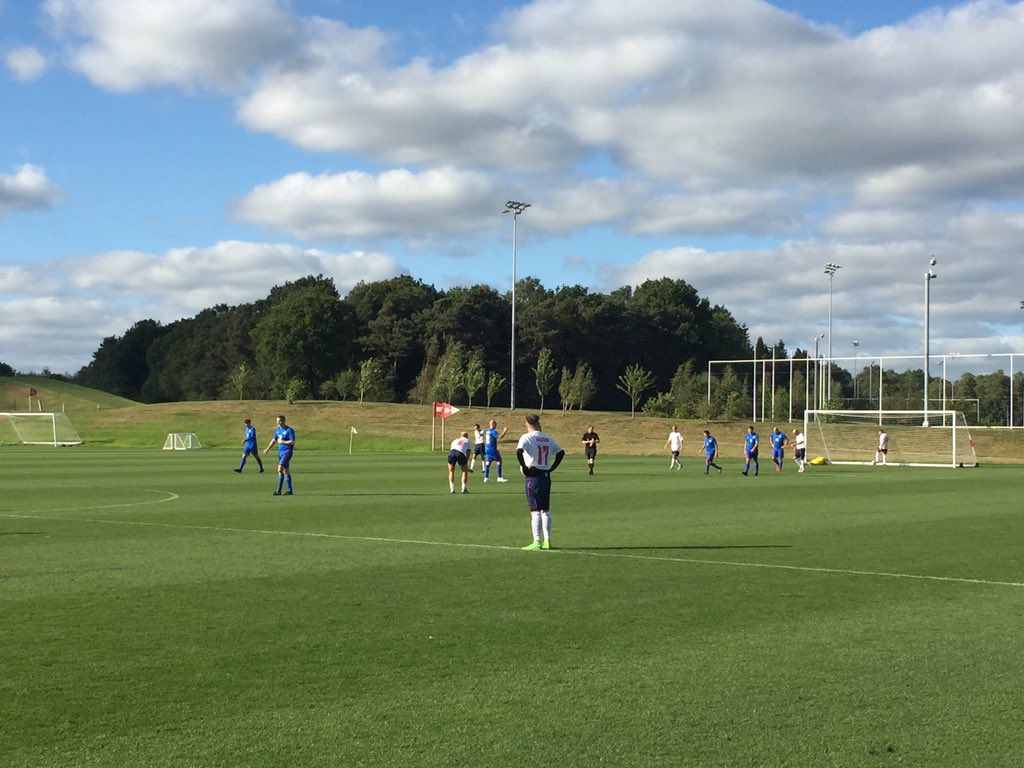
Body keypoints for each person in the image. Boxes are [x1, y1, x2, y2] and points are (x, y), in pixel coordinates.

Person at [516, 413, 565, 551]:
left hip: (533, 476)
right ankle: (548, 541)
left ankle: (537, 541)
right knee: (545, 510)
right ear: (538, 423)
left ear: (527, 424)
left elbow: (519, 451)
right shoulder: (547, 438)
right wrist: (552, 468)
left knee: (535, 511)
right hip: (545, 476)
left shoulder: (526, 437)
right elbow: (561, 452)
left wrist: (525, 467)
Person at [263, 414, 295, 495]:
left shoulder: (289, 430)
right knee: (286, 471)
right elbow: (274, 440)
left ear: (284, 421)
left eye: (280, 421)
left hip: (287, 452)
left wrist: (282, 442)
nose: (278, 423)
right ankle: (289, 490)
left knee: (280, 468)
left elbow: (292, 441)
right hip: (280, 452)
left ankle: (278, 490)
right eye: (277, 421)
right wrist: (267, 449)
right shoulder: (277, 430)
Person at [483, 418, 509, 483]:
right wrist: (505, 431)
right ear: (493, 424)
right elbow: (500, 437)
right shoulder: (493, 431)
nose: (496, 424)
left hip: (487, 449)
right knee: (499, 461)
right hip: (492, 449)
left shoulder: (487, 431)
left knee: (488, 463)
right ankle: (499, 477)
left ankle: (486, 477)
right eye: (495, 423)